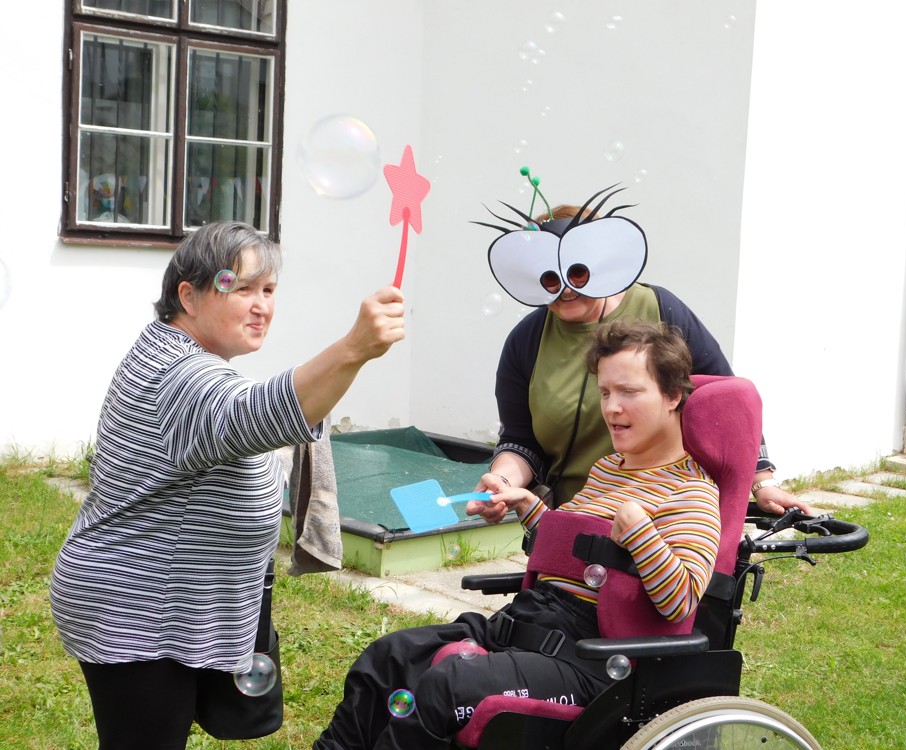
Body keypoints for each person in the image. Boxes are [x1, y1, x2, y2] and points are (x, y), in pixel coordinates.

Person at [49, 221, 406, 749]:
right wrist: (354, 347)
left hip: (167, 604)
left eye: (269, 290)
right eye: (241, 289)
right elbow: (253, 413)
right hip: (140, 612)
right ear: (188, 296)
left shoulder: (179, 355)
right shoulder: (179, 376)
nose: (261, 306)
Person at [313, 319, 720, 750]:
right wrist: (527, 506)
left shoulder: (691, 493)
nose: (612, 408)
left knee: (448, 686)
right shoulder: (608, 469)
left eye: (629, 392)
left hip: (592, 659)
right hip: (528, 622)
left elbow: (680, 602)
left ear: (673, 395)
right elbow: (578, 557)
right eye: (604, 392)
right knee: (389, 657)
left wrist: (642, 534)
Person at [474, 197, 810, 515]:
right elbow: (520, 441)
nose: (566, 288)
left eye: (577, 272)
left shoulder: (661, 310)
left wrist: (762, 482)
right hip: (576, 515)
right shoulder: (526, 340)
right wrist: (501, 482)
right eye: (550, 278)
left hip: (668, 513)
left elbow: (730, 403)